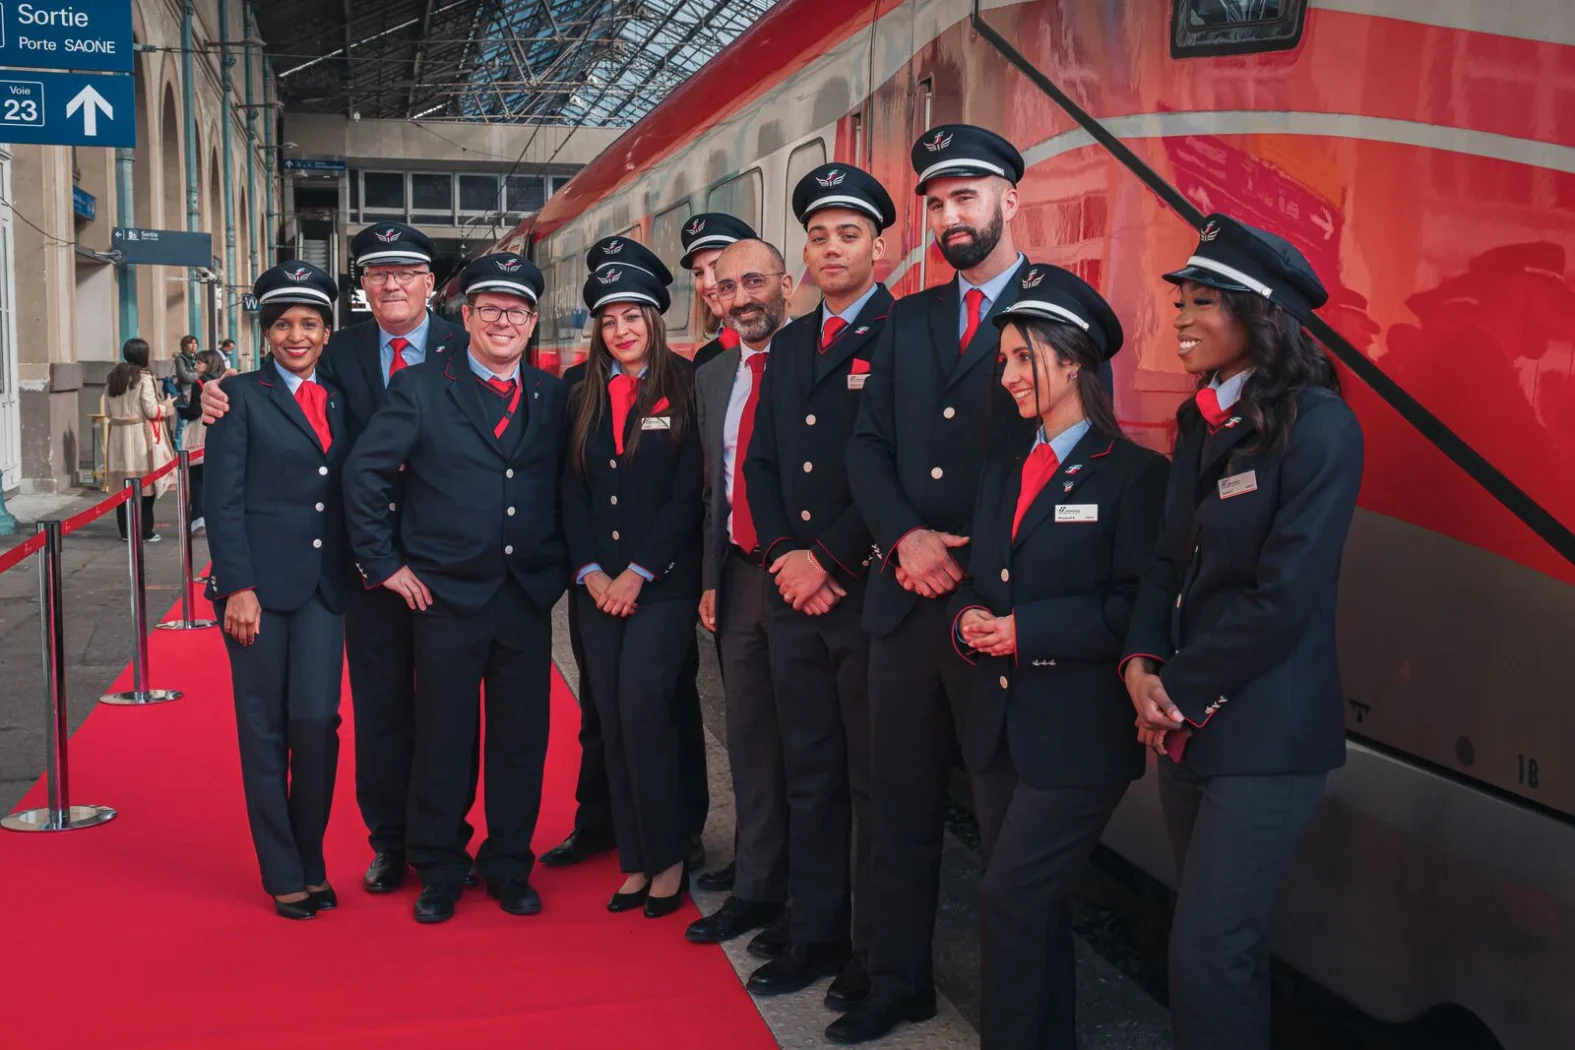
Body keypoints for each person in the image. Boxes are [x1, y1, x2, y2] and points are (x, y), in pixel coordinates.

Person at [1120, 215, 1363, 1050]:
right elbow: (1164, 561)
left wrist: (1175, 692)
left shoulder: (1319, 427)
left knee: (1206, 950)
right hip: (1189, 725)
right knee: (1220, 946)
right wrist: (1140, 663)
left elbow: (1285, 596)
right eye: (1178, 301)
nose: (1178, 319)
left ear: (1258, 317)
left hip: (1266, 733)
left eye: (1199, 303)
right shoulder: (1201, 424)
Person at [834, 124, 1036, 1045]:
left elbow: (1060, 456)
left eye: (969, 196)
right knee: (897, 805)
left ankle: (1020, 1018)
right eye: (939, 202)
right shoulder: (907, 319)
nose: (952, 216)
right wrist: (905, 537)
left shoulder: (1051, 313)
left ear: (1009, 199)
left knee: (1007, 830)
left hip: (994, 609)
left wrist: (971, 558)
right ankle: (896, 981)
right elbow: (865, 447)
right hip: (903, 603)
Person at [204, 221, 472, 895]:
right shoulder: (338, 358)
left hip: (440, 560)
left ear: (430, 284)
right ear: (360, 290)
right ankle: (373, 848)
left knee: (436, 713)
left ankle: (442, 847)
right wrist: (206, 395)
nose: (393, 284)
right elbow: (237, 473)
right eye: (378, 273)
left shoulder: (467, 346)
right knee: (368, 713)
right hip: (353, 569)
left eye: (406, 271)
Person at [949, 264, 1168, 1049]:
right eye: (1002, 359)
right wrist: (972, 617)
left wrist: (1026, 630)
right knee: (1029, 911)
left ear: (1071, 359)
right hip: (1000, 729)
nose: (1005, 376)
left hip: (1077, 740)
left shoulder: (1135, 476)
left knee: (1009, 901)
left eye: (1020, 358)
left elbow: (1134, 609)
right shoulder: (1004, 472)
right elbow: (978, 581)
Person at [344, 252, 566, 924]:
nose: (504, 321)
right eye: (490, 308)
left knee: (520, 738)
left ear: (532, 324)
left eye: (517, 311)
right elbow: (363, 475)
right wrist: (384, 564)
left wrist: (559, 565)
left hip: (523, 595)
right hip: (442, 596)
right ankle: (440, 866)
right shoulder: (421, 386)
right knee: (444, 737)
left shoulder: (551, 395)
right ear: (465, 316)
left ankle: (508, 864)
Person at [738, 163, 895, 1008]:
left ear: (878, 245)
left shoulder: (903, 334)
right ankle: (815, 929)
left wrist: (827, 560)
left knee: (872, 782)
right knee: (809, 771)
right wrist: (783, 558)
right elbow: (761, 461)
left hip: (862, 593)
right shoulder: (792, 342)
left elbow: (892, 469)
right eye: (819, 235)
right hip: (793, 592)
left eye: (848, 234)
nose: (830, 248)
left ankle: (872, 951)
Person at [545, 242, 711, 876]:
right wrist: (588, 571)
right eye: (609, 320)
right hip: (595, 586)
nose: (621, 331)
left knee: (646, 707)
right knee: (608, 712)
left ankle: (667, 855)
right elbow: (570, 486)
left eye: (632, 317)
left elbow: (687, 491)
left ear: (654, 320)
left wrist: (638, 572)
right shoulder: (577, 389)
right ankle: (635, 856)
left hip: (659, 586)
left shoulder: (687, 383)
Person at [203, 261, 348, 920]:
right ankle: (283, 871)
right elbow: (222, 501)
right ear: (266, 334)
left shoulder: (343, 395)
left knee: (316, 723)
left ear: (326, 332)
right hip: (256, 590)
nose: (296, 335)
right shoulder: (238, 397)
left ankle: (311, 857)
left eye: (309, 324)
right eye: (283, 324)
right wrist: (237, 585)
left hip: (323, 588)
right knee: (264, 731)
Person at [685, 238, 794, 956]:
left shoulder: (814, 355)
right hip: (741, 575)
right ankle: (758, 883)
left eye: (754, 281)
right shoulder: (714, 375)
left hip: (810, 578)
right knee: (752, 739)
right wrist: (709, 578)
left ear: (787, 283)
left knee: (815, 749)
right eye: (727, 287)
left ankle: (812, 898)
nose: (742, 297)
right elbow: (712, 492)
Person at [103, 337, 175, 543]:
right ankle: (145, 531)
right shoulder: (144, 378)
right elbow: (152, 410)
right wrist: (167, 406)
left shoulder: (113, 378)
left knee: (121, 489)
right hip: (140, 439)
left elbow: (108, 411)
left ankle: (126, 532)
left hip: (117, 437)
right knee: (146, 487)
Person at [682, 213, 756, 370]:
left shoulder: (794, 341)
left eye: (717, 267)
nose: (708, 283)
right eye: (699, 273)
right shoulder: (705, 360)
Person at [175, 347, 229, 533]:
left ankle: (198, 516)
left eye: (199, 362)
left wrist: (178, 409)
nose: (196, 365)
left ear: (209, 363)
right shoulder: (226, 382)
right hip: (222, 433)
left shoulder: (200, 384)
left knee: (197, 477)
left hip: (201, 432)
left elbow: (195, 411)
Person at [172, 335, 199, 450]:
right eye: (190, 343)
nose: (193, 345)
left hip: (195, 396)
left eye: (195, 343)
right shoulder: (180, 359)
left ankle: (190, 449)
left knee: (194, 425)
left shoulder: (197, 358)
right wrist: (199, 375)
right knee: (181, 426)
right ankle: (179, 452)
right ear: (184, 345)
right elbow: (185, 376)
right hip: (184, 396)